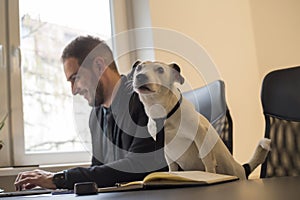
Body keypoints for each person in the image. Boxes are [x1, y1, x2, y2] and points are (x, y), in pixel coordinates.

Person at [14, 35, 167, 190]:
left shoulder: (144, 100)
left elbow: (139, 165)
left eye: (76, 78)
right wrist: (56, 184)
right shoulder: (95, 116)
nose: (74, 90)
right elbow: (99, 171)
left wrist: (60, 179)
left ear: (99, 66)